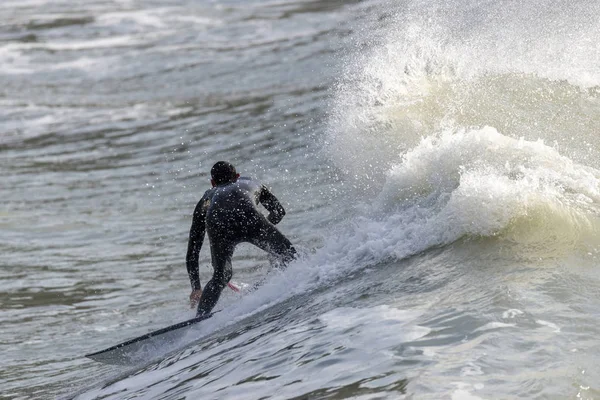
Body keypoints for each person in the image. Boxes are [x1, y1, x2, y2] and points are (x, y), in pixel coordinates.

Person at [186, 161, 296, 317]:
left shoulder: (207, 197)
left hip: (219, 224)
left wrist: (196, 287)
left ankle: (200, 318)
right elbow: (278, 212)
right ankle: (295, 285)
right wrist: (264, 232)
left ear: (212, 183)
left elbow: (193, 248)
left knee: (220, 277)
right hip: (251, 219)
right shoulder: (251, 182)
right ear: (237, 176)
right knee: (289, 255)